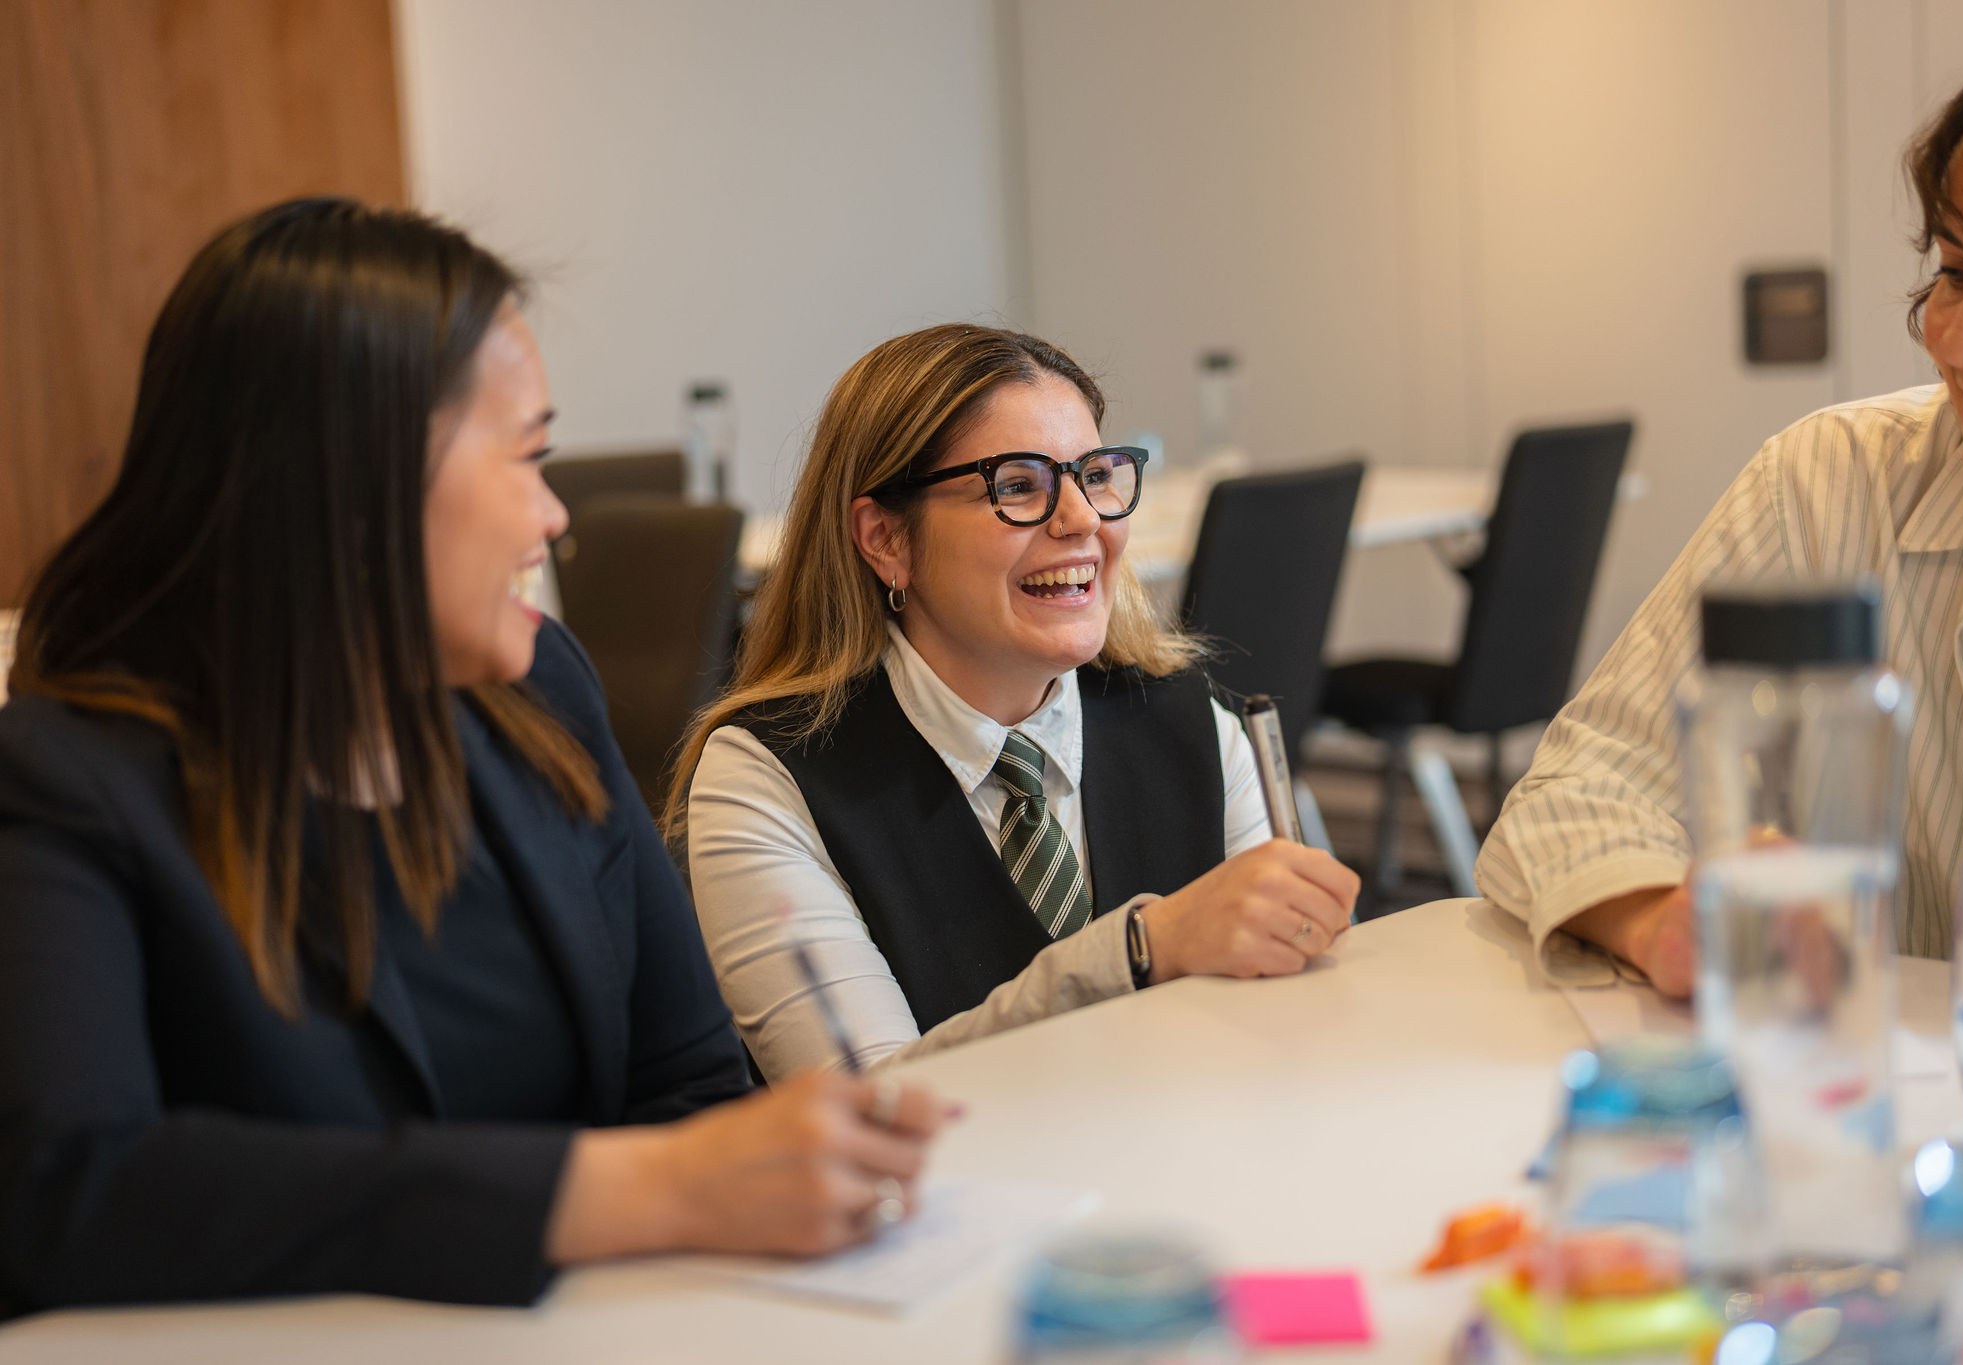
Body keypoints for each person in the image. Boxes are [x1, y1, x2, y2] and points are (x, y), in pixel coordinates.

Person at [0, 198, 943, 1316]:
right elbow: (67, 1193)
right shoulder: (66, 786)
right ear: (355, 485)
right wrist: (607, 1192)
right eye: (528, 457)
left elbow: (685, 1080)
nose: (553, 518)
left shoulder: (541, 698)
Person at [1476, 41, 1963, 997]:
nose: (1958, 340)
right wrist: (1663, 920)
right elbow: (1575, 797)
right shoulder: (1835, 481)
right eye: (1953, 270)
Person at [671, 324, 1361, 1080]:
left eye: (1095, 476)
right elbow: (873, 1108)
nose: (1083, 519)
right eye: (1018, 486)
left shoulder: (1195, 728)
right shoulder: (767, 780)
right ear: (885, 538)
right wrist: (1140, 951)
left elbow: (1292, 1033)